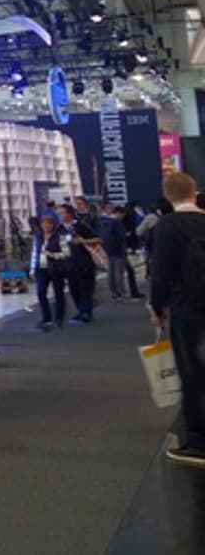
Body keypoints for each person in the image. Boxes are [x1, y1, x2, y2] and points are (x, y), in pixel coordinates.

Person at [149, 172, 205, 466]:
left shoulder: (168, 226)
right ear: (194, 191)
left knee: (192, 372)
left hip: (187, 308)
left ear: (168, 196)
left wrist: (157, 309)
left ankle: (198, 442)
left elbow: (161, 274)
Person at [59, 204, 100, 323]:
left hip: (83, 262)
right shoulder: (59, 229)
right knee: (74, 289)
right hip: (68, 264)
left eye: (62, 212)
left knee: (85, 288)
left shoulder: (80, 226)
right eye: (59, 213)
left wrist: (83, 241)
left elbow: (97, 239)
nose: (60, 215)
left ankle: (86, 312)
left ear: (69, 214)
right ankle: (80, 311)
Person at [33, 214, 71, 329]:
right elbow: (34, 253)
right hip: (41, 269)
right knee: (41, 292)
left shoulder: (59, 237)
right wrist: (32, 268)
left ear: (53, 225)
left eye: (48, 224)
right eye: (44, 224)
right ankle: (47, 317)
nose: (46, 226)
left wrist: (53, 255)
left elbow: (66, 253)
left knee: (58, 292)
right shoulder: (38, 237)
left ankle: (59, 317)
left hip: (56, 268)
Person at [102, 203, 140, 301]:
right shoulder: (117, 222)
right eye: (122, 215)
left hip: (109, 250)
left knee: (111, 273)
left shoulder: (105, 221)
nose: (123, 217)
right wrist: (126, 236)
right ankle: (123, 294)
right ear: (119, 213)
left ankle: (114, 293)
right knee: (119, 273)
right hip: (119, 250)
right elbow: (121, 237)